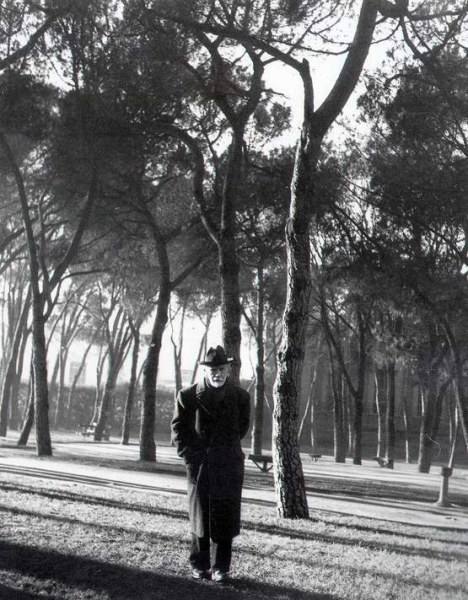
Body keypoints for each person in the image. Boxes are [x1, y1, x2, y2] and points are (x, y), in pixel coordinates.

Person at [171, 345, 250, 584]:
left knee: (225, 517)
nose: (217, 373)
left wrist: (228, 452)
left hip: (228, 465)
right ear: (205, 371)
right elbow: (178, 430)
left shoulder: (241, 397)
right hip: (200, 466)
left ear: (228, 370)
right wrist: (191, 458)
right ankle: (200, 565)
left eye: (222, 369)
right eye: (212, 369)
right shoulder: (187, 396)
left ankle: (221, 568)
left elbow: (243, 428)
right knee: (200, 517)